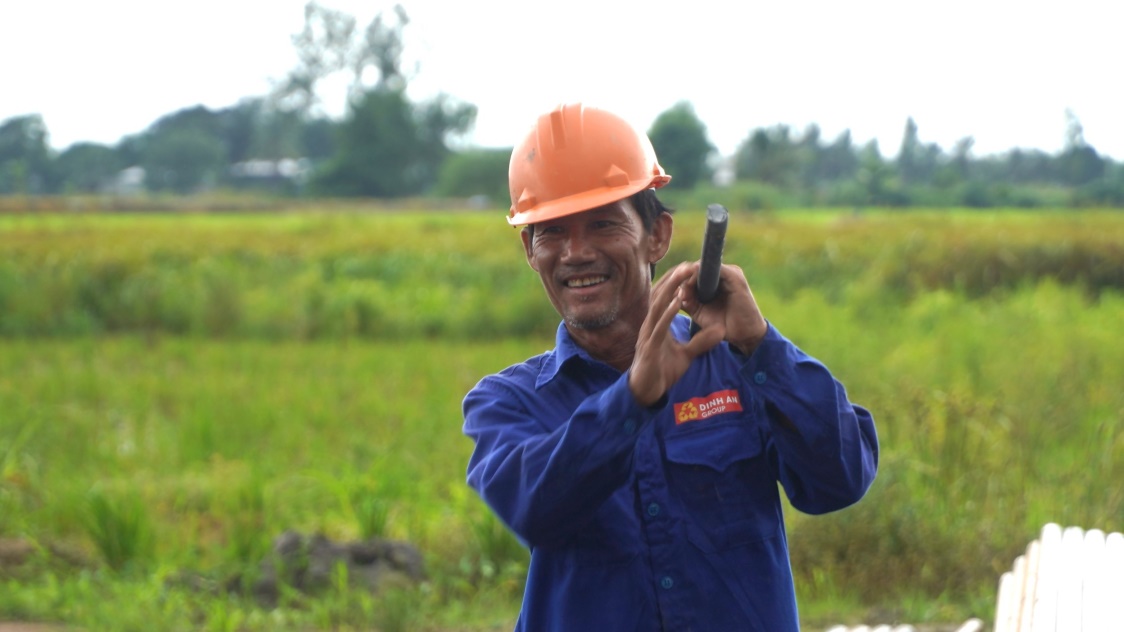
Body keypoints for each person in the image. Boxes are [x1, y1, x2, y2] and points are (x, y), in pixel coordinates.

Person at [462, 102, 878, 631]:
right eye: (552, 231)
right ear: (529, 248)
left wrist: (761, 344)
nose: (576, 252)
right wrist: (633, 399)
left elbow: (840, 481)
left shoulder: (740, 366)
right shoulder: (506, 401)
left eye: (602, 224)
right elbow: (533, 509)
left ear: (657, 235)